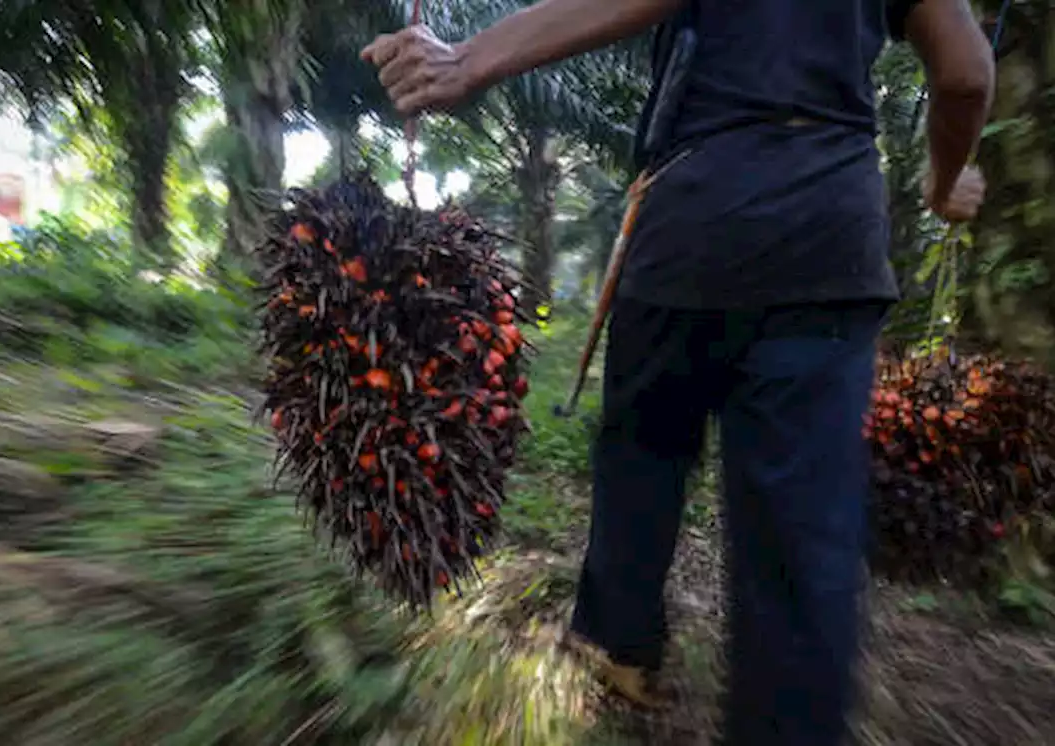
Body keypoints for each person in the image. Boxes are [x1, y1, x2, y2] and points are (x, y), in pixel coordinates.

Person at [362, 1, 994, 744]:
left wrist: (468, 60)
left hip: (689, 223)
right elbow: (964, 73)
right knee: (800, 539)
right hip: (826, 239)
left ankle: (615, 642)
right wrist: (944, 178)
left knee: (643, 447)